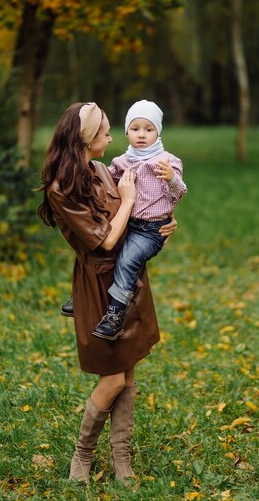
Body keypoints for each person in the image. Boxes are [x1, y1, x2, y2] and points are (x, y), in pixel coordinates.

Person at [37, 102, 177, 483]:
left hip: (128, 280)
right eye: (106, 133)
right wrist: (129, 200)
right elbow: (105, 239)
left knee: (128, 374)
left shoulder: (100, 169)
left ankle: (121, 459)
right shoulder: (62, 189)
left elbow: (137, 212)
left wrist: (164, 216)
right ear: (86, 140)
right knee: (112, 378)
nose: (113, 139)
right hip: (99, 285)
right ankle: (82, 455)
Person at [91, 99, 187, 340]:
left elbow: (179, 193)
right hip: (127, 223)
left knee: (126, 261)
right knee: (104, 255)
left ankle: (115, 314)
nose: (141, 135)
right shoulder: (122, 162)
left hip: (151, 231)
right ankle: (86, 298)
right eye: (135, 129)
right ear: (126, 132)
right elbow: (104, 183)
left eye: (148, 129)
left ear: (158, 132)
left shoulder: (167, 162)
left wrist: (171, 178)